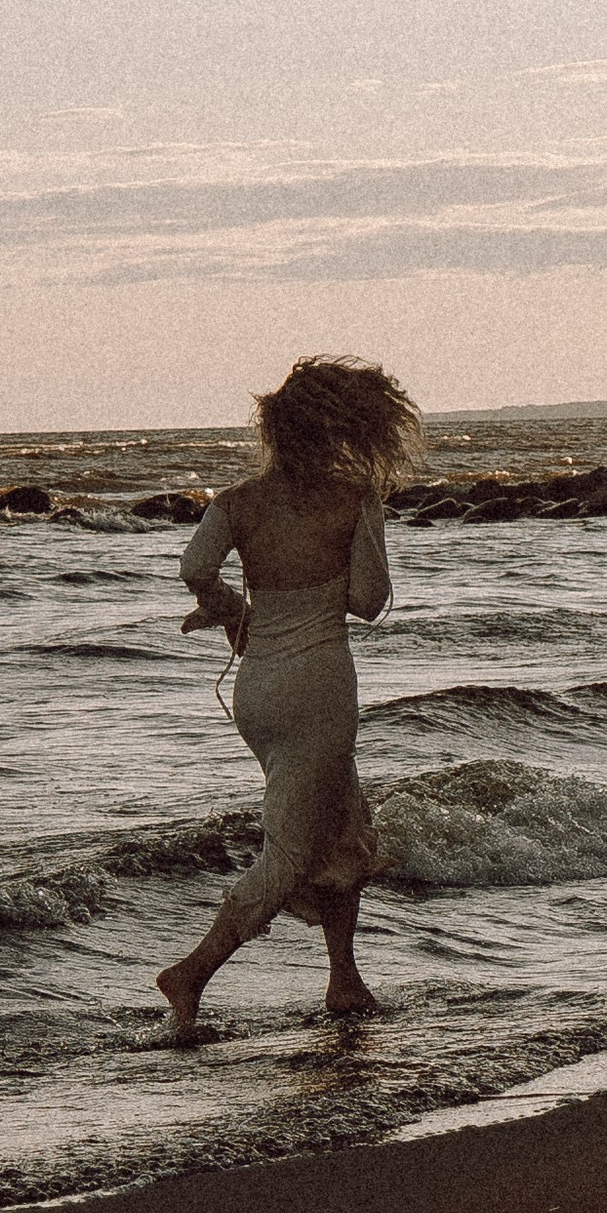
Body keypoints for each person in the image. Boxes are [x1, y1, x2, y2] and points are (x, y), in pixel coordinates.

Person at [155, 355, 424, 1043]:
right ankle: (191, 973)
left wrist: (230, 610)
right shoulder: (354, 497)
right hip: (318, 688)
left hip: (258, 690)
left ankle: (344, 978)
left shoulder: (240, 500)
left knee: (345, 824)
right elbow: (368, 602)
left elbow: (193, 567)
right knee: (291, 850)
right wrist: (363, 530)